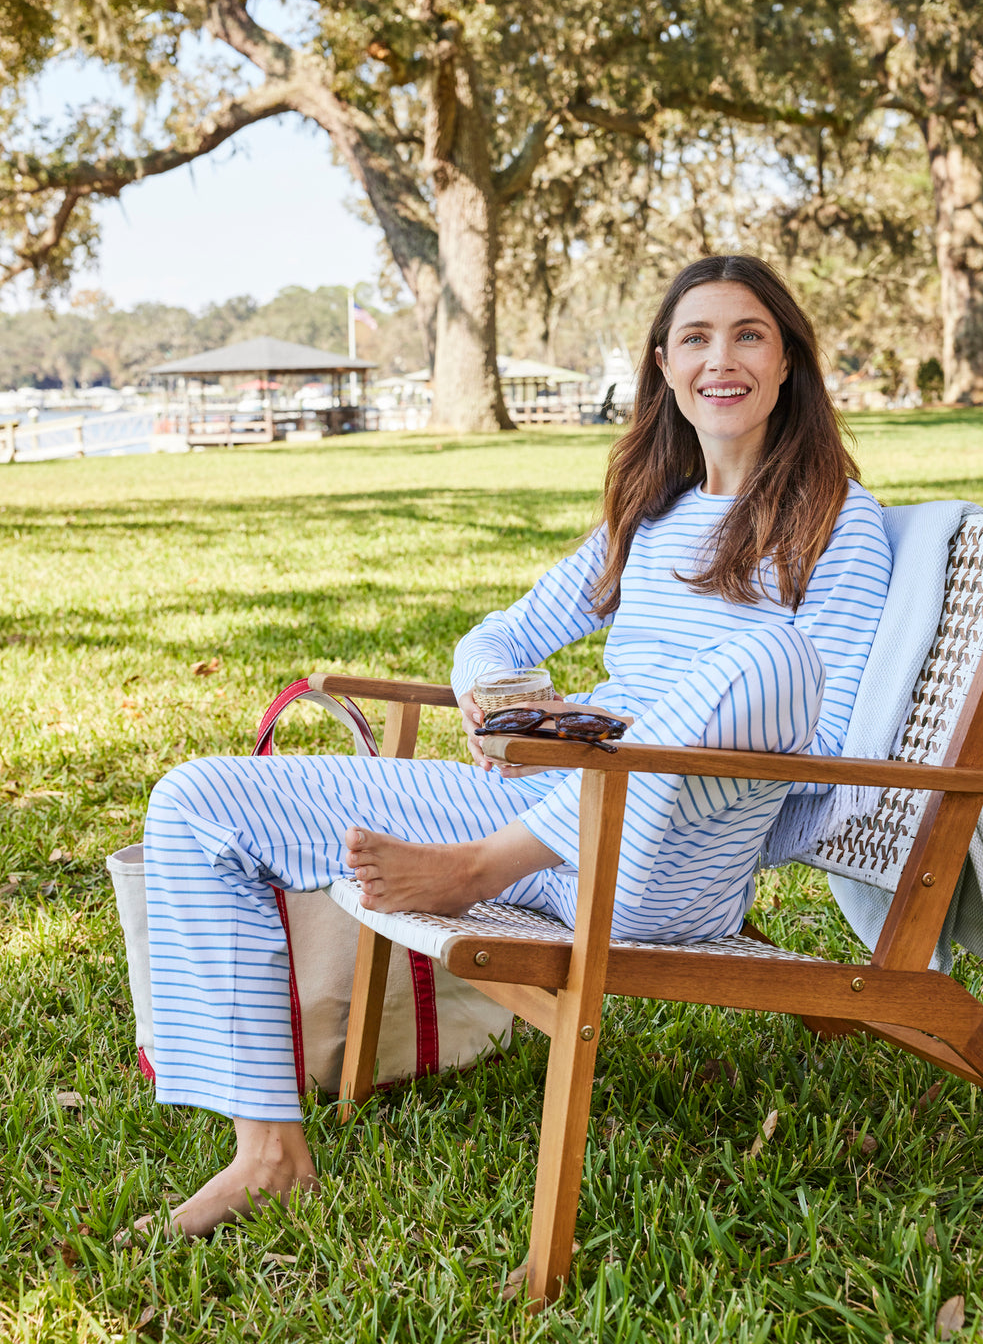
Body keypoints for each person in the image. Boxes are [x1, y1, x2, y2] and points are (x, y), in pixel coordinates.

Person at [136, 255, 892, 1239]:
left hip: (675, 858)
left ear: (787, 360)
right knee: (194, 801)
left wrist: (648, 735)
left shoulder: (838, 520)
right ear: (663, 366)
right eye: (695, 338)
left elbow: (823, 739)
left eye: (748, 333)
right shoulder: (647, 514)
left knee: (776, 652)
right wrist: (516, 708)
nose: (722, 358)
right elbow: (499, 634)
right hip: (549, 811)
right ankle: (269, 1154)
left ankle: (477, 870)